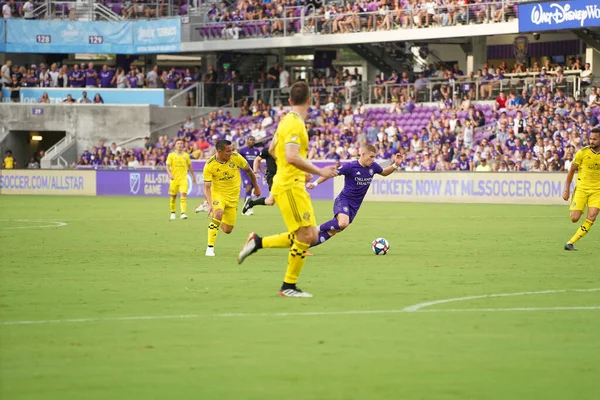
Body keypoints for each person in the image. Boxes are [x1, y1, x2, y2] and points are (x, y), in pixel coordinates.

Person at [236, 81, 338, 298]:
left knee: (306, 235)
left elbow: (273, 149)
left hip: (291, 183)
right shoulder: (295, 124)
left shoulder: (285, 121)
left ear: (290, 101)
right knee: (306, 235)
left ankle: (258, 242)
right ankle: (288, 286)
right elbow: (291, 156)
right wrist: (318, 171)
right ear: (310, 101)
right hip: (290, 186)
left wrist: (298, 169)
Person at [306, 144, 401, 247]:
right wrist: (315, 183)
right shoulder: (350, 167)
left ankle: (305, 245)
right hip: (343, 200)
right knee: (343, 223)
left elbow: (385, 172)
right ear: (363, 154)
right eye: (371, 157)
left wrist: (395, 164)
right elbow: (331, 174)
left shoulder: (373, 167)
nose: (373, 160)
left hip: (355, 206)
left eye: (374, 157)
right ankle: (315, 229)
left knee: (334, 230)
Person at [202, 139, 260, 257]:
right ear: (219, 151)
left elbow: (249, 171)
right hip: (218, 195)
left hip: (233, 198)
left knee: (227, 230)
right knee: (218, 213)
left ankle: (209, 209)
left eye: (231, 150)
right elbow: (207, 188)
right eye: (228, 151)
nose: (231, 153)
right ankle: (210, 248)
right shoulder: (210, 165)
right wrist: (211, 204)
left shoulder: (236, 157)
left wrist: (257, 187)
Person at [562, 129, 600, 251]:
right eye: (591, 138)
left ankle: (570, 242)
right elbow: (571, 171)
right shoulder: (582, 153)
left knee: (592, 216)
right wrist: (566, 189)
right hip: (582, 189)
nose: (592, 141)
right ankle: (578, 207)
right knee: (574, 218)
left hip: (597, 191)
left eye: (595, 139)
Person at [241, 142, 278, 213]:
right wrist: (255, 172)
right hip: (273, 177)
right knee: (271, 201)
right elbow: (257, 160)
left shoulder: (285, 150)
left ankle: (251, 203)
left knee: (271, 201)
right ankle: (251, 203)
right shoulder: (267, 150)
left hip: (282, 177)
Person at [166, 138, 197, 221]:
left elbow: (190, 166)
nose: (179, 145)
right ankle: (173, 213)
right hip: (174, 179)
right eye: (178, 143)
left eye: (181, 143)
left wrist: (193, 177)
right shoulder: (171, 155)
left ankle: (183, 213)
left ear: (183, 145)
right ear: (175, 145)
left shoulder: (186, 155)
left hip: (183, 179)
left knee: (183, 195)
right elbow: (167, 166)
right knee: (173, 197)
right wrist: (170, 174)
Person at [237, 136, 261, 215]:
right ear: (247, 141)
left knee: (251, 190)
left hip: (253, 172)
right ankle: (249, 208)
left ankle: (246, 208)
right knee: (248, 187)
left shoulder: (256, 151)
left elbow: (259, 162)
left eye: (253, 140)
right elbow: (238, 161)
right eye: (250, 140)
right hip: (245, 172)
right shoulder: (242, 150)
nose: (252, 141)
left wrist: (264, 172)